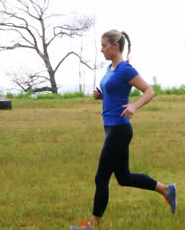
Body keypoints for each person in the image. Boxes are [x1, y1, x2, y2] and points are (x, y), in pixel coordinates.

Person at [71, 29, 176, 230]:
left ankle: (93, 225)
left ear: (115, 46)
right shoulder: (111, 68)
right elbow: (116, 92)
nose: (101, 50)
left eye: (104, 45)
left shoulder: (125, 69)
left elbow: (149, 91)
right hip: (111, 128)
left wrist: (134, 106)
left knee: (101, 177)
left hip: (119, 130)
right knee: (124, 177)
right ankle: (166, 190)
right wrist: (103, 96)